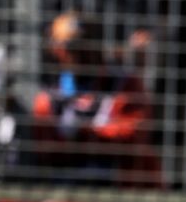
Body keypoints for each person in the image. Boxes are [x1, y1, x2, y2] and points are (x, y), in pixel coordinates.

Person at [22, 10, 161, 185]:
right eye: (70, 47)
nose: (80, 54)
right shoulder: (49, 99)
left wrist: (83, 136)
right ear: (56, 50)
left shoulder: (124, 85)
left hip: (123, 193)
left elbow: (133, 137)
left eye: (85, 44)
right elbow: (47, 151)